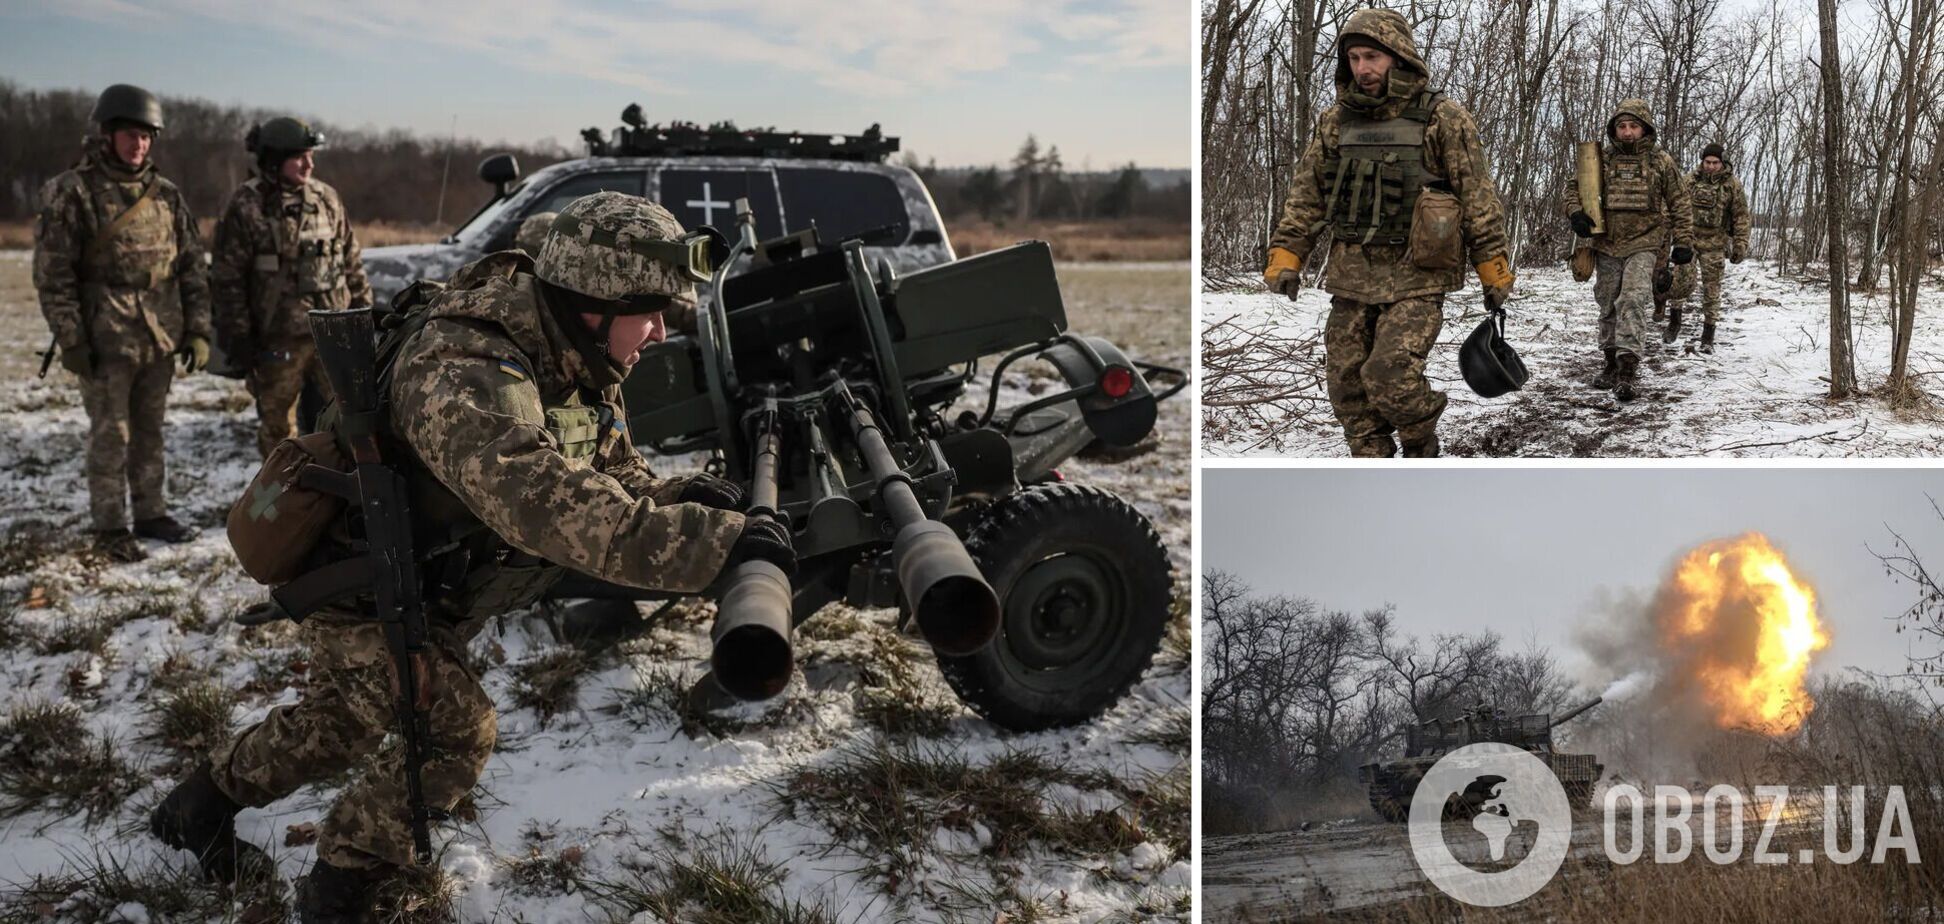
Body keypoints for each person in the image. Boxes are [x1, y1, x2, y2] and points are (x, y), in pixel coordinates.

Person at [148, 192, 788, 920]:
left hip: (428, 583)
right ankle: (344, 884)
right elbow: (546, 506)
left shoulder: (573, 354)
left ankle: (196, 807)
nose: (662, 332)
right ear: (595, 303)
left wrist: (679, 496)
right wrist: (713, 544)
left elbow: (609, 472)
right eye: (651, 312)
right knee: (455, 732)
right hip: (356, 585)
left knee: (337, 725)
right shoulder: (463, 365)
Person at [1261, 7, 1514, 458]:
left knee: (1390, 374)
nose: (1363, 68)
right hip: (1352, 273)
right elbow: (1308, 195)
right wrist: (1287, 254)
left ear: (1399, 58)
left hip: (1418, 274)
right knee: (1346, 384)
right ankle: (1371, 460)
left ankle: (1420, 442)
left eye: (1372, 57)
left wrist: (1492, 269)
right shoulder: (1336, 122)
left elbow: (1478, 198)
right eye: (1354, 58)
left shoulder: (1443, 119)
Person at [32, 83, 211, 562]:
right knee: (111, 435)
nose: (140, 145)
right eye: (131, 135)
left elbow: (192, 266)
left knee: (150, 430)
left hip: (159, 334)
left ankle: (151, 512)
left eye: (147, 136)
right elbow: (53, 275)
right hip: (104, 337)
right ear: (108, 134)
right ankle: (110, 526)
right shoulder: (72, 192)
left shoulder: (166, 195)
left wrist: (198, 329)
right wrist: (72, 339)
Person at [210, 116, 372, 457]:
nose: (309, 164)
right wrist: (238, 334)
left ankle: (347, 486)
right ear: (273, 160)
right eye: (299, 156)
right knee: (278, 430)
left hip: (332, 335)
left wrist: (362, 313)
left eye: (311, 155)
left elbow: (350, 260)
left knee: (351, 422)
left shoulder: (326, 198)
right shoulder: (247, 204)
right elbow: (228, 278)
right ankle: (285, 488)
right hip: (277, 339)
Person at [1567, 100, 1693, 400]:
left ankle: (1627, 368)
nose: (1627, 132)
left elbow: (1680, 202)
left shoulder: (1660, 161)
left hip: (1645, 243)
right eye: (1622, 126)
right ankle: (1610, 361)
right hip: (1607, 243)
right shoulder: (1601, 159)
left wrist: (1684, 241)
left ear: (1644, 128)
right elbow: (1573, 188)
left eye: (1633, 126)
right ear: (1614, 129)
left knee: (1633, 299)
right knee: (1608, 302)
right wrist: (1575, 213)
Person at [1677, 143, 1751, 353]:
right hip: (1689, 241)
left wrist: (1740, 243)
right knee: (1681, 281)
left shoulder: (1731, 185)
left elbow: (1741, 216)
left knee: (1712, 290)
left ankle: (1708, 335)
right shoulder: (1689, 181)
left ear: (1722, 163)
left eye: (1715, 163)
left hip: (1715, 245)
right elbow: (1676, 206)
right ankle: (1674, 320)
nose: (1710, 166)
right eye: (1707, 162)